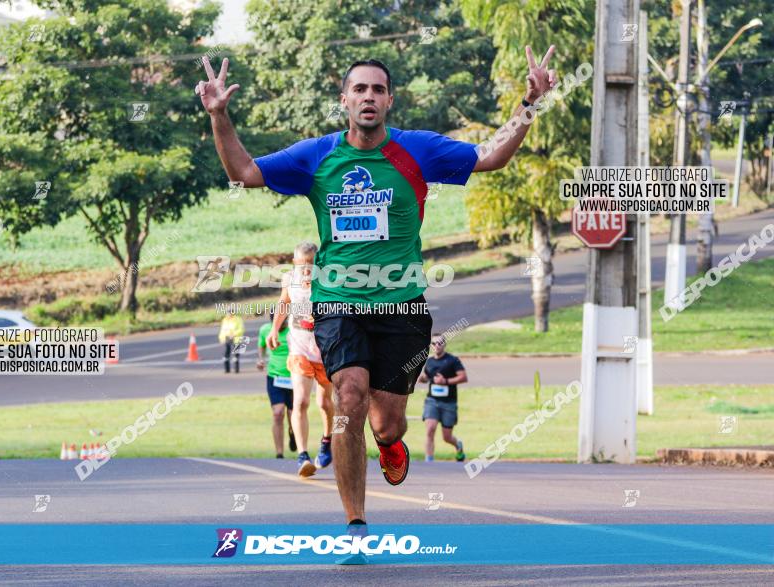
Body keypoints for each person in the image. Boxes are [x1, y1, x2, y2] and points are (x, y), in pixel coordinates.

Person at [197, 46, 557, 560]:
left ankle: (390, 444)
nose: (368, 97)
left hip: (403, 305)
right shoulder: (317, 156)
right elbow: (244, 172)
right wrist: (220, 115)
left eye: (377, 90)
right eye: (359, 89)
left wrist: (530, 103)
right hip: (339, 302)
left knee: (387, 422)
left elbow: (490, 156)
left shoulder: (418, 150)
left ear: (390, 101)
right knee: (348, 399)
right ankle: (356, 526)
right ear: (344, 100)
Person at [267, 242, 335, 477]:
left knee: (324, 403)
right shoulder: (289, 279)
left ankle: (327, 441)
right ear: (295, 263)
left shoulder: (327, 280)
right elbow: (284, 302)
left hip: (325, 349)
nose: (306, 269)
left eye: (311, 264)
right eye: (301, 264)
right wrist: (275, 329)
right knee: (301, 401)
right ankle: (303, 455)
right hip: (299, 347)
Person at [418, 333, 468, 462]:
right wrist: (422, 379)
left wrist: (445, 381)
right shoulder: (429, 361)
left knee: (447, 437)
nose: (437, 346)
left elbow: (463, 377)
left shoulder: (452, 360)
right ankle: (429, 461)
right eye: (434, 343)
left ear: (444, 344)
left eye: (439, 343)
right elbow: (427, 377)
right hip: (432, 401)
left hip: (448, 403)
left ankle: (458, 445)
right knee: (430, 429)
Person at [257, 310, 297, 458]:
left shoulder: (294, 329)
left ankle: (293, 433)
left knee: (294, 415)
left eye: (284, 322)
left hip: (294, 377)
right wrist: (260, 359)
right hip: (275, 376)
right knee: (278, 413)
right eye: (277, 324)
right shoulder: (265, 330)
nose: (281, 326)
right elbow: (261, 345)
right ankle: (279, 453)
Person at [218, 309, 244, 373]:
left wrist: (234, 334)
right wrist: (221, 338)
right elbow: (222, 331)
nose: (229, 314)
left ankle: (236, 370)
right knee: (226, 354)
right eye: (228, 313)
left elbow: (241, 329)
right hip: (227, 339)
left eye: (230, 313)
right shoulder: (225, 320)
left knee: (236, 355)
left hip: (236, 339)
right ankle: (227, 370)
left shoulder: (238, 319)